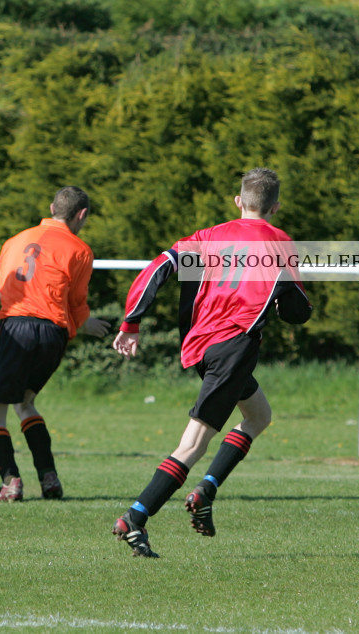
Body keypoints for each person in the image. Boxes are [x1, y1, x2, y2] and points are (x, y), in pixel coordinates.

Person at [111, 168, 312, 557]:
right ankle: (136, 517)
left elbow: (159, 267)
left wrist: (131, 322)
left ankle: (206, 490)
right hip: (234, 349)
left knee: (259, 415)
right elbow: (297, 313)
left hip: (202, 346)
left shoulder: (207, 236)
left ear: (238, 202)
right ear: (275, 207)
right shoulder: (282, 244)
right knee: (193, 444)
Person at [0, 186, 111, 501]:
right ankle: (48, 477)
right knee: (25, 403)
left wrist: (16, 301)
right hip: (53, 335)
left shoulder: (16, 240)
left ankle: (11, 481)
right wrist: (86, 324)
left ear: (52, 207)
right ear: (82, 215)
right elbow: (76, 304)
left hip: (15, 328)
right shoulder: (81, 250)